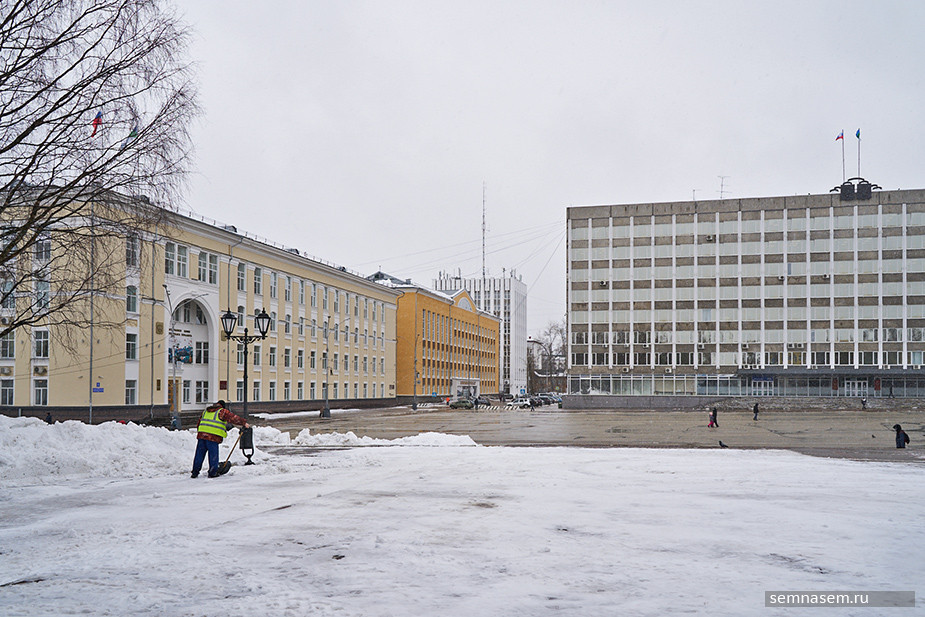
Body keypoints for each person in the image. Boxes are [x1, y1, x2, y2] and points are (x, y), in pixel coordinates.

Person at [191, 400, 249, 478]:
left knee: (199, 454)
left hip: (202, 435)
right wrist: (244, 423)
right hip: (212, 436)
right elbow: (233, 418)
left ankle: (195, 472)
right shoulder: (222, 411)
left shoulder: (206, 411)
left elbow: (199, 423)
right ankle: (212, 472)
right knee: (213, 455)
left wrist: (202, 432)